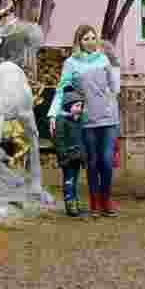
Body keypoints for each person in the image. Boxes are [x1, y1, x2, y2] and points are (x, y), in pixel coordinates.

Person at [47, 25, 121, 217]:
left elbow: (114, 87)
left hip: (108, 117)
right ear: (79, 41)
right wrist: (53, 113)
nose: (90, 41)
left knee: (106, 161)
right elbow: (62, 89)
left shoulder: (103, 59)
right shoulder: (71, 63)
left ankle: (106, 199)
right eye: (86, 38)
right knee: (93, 162)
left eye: (93, 37)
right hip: (87, 120)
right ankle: (95, 201)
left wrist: (113, 71)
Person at [54, 83, 88, 217]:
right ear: (68, 106)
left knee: (75, 180)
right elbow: (59, 140)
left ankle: (75, 202)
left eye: (81, 106)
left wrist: (83, 155)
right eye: (77, 106)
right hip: (68, 157)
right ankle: (70, 204)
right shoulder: (61, 121)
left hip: (77, 156)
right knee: (69, 180)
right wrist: (63, 155)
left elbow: (81, 140)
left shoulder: (79, 121)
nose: (80, 109)